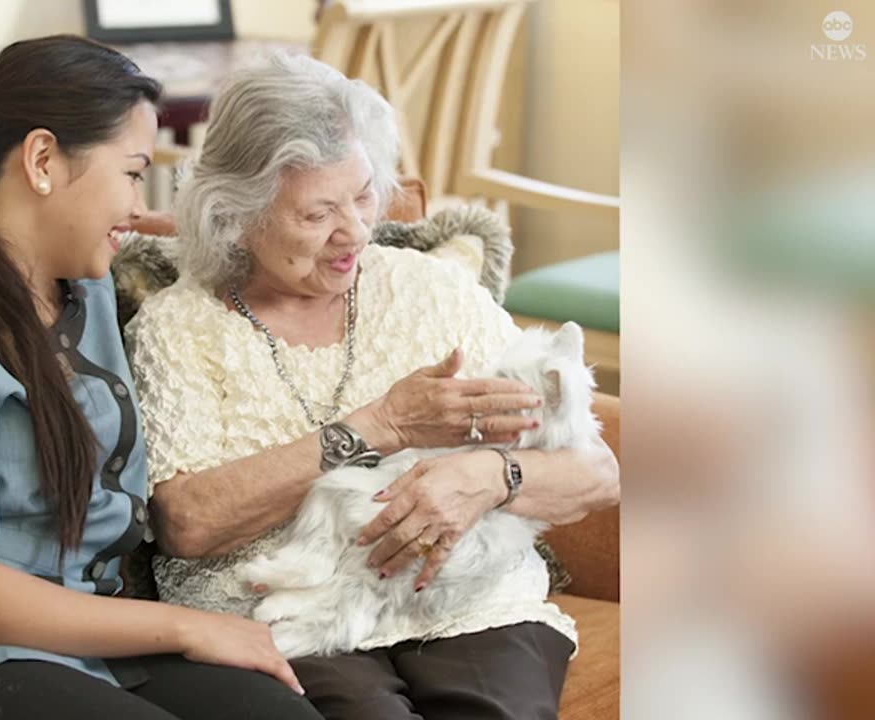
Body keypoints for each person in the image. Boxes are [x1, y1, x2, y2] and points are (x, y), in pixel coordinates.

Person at [126, 54, 620, 720]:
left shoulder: (430, 291)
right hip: (286, 616)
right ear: (237, 216)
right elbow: (185, 523)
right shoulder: (180, 327)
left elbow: (598, 471)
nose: (355, 230)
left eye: (362, 195)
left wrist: (496, 475)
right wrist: (378, 426)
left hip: (469, 605)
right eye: (316, 213)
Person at [0, 36, 321, 720]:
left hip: (80, 633)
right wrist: (186, 625)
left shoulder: (77, 275)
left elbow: (194, 239)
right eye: (132, 173)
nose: (137, 204)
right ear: (42, 161)